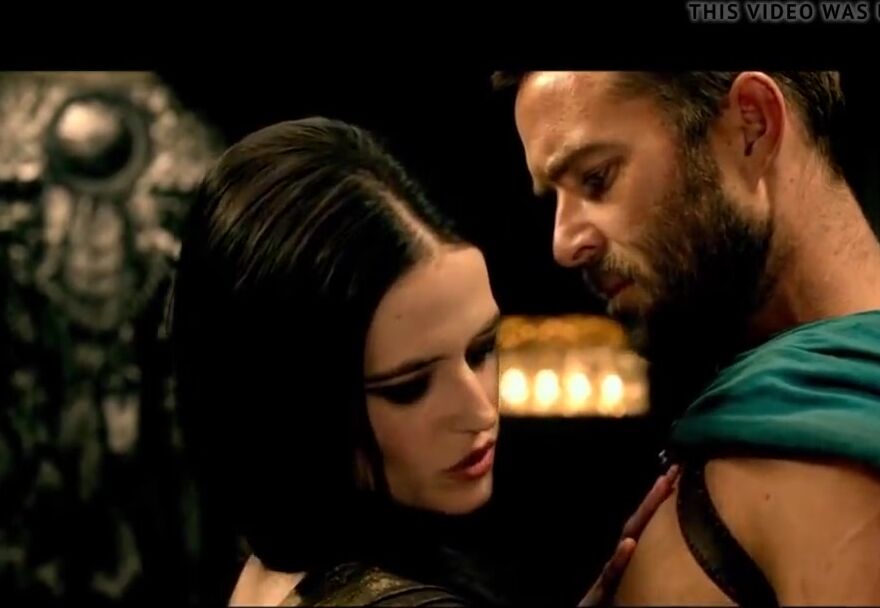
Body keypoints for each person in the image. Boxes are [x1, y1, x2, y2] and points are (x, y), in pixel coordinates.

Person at [495, 71, 880, 606]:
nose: (563, 243)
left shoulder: (860, 465)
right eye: (554, 198)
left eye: (597, 178)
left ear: (751, 125)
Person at [168, 117, 675, 606]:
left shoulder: (271, 572)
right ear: (293, 405)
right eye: (409, 387)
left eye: (481, 351)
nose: (480, 411)